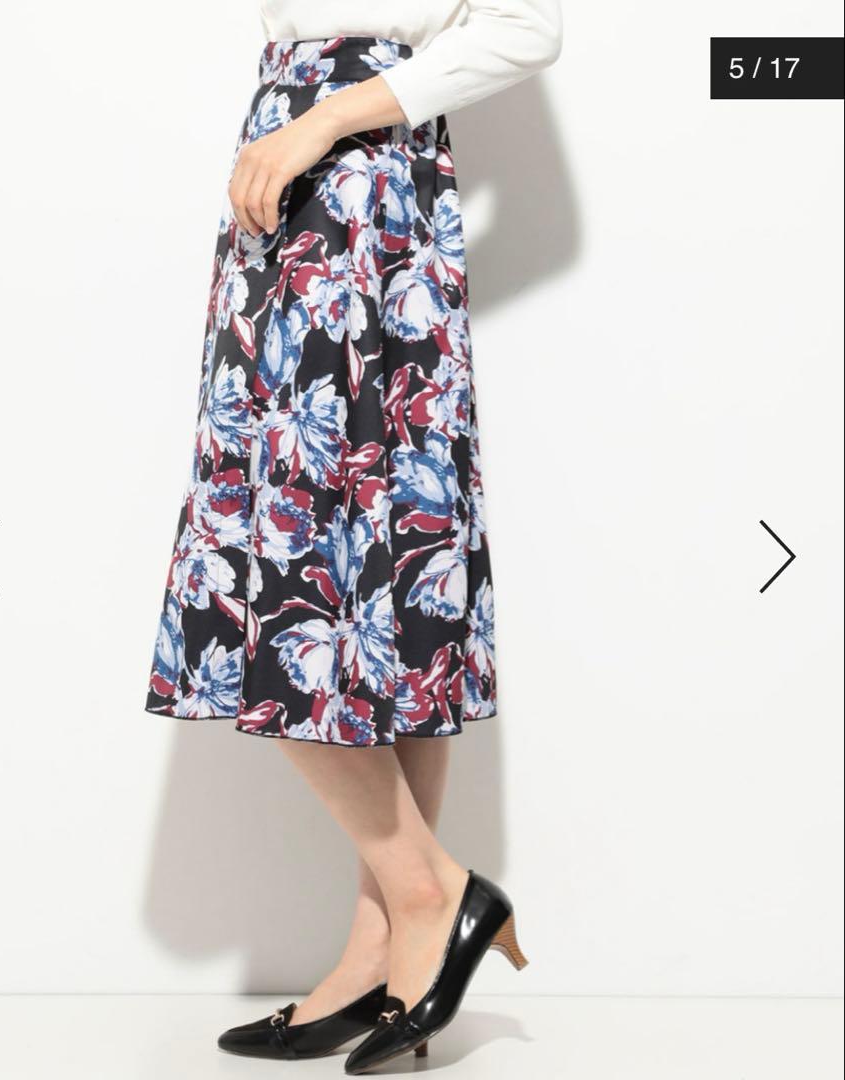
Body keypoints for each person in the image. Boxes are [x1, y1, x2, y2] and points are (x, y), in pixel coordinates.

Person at [144, 1, 562, 1071]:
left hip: (353, 184)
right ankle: (384, 945)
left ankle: (430, 895)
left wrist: (326, 120)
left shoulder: (338, 121)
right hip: (328, 184)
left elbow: (525, 26)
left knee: (286, 570)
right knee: (375, 562)